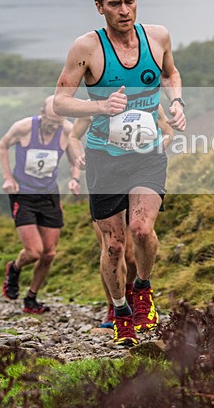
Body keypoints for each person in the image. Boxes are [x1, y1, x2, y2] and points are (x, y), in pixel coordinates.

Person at [53, 0, 186, 347]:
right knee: (113, 245)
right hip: (104, 158)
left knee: (142, 230)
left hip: (147, 153)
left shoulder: (157, 36)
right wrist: (99, 106)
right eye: (115, 4)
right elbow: (60, 100)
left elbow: (171, 74)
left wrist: (176, 102)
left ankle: (142, 289)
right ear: (100, 7)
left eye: (130, 1)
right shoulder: (86, 49)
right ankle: (120, 308)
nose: (124, 10)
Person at [68, 106, 174, 329]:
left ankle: (137, 299)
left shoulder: (149, 101)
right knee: (113, 248)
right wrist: (79, 156)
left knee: (136, 247)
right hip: (105, 179)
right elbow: (73, 136)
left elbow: (168, 133)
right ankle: (114, 307)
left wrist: (151, 153)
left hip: (138, 177)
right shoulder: (95, 103)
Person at [0, 96, 80, 314]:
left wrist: (75, 178)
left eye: (58, 121)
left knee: (49, 253)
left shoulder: (67, 131)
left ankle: (31, 298)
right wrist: (8, 177)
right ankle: (14, 269)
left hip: (49, 196)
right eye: (51, 120)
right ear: (42, 113)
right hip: (23, 194)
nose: (54, 125)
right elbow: (3, 145)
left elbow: (75, 160)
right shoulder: (24, 127)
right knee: (34, 252)